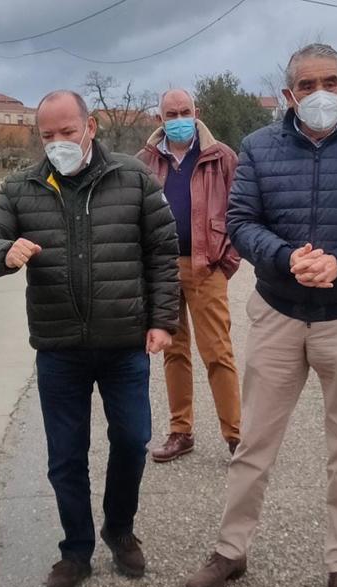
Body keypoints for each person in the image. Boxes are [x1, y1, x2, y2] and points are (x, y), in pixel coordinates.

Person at [183, 44, 337, 587]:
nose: (319, 94)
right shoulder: (259, 149)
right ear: (289, 95)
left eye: (330, 82)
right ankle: (230, 550)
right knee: (255, 443)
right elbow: (240, 222)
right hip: (280, 315)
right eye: (307, 85)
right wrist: (288, 258)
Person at [0, 90, 179, 587]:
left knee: (132, 440)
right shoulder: (23, 187)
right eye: (48, 135)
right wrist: (4, 250)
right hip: (60, 348)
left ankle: (119, 528)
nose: (59, 142)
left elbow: (162, 251)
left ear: (92, 126)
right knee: (66, 455)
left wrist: (163, 321)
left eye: (68, 131)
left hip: (124, 342)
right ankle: (76, 550)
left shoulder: (132, 177)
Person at [136, 88, 243, 463]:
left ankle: (236, 437)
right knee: (173, 353)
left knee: (218, 353)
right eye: (171, 113)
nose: (178, 119)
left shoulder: (221, 157)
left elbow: (242, 212)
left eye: (185, 111)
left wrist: (226, 261)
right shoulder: (145, 162)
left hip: (206, 268)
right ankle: (181, 432)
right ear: (159, 119)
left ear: (196, 112)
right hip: (162, 271)